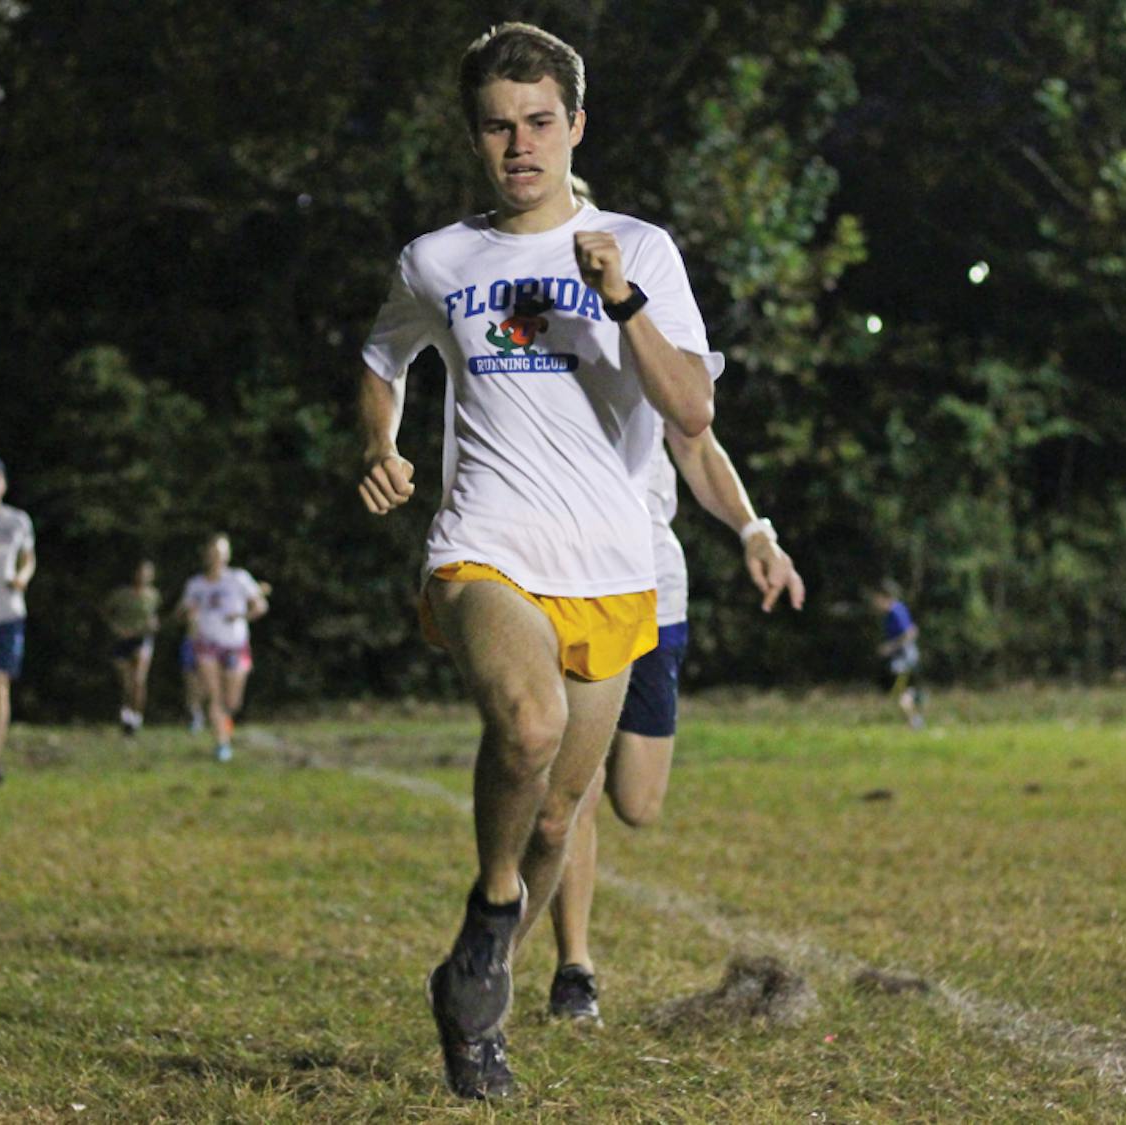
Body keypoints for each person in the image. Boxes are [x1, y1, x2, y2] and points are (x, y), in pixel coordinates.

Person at [356, 22, 720, 1099]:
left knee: (566, 810)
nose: (520, 146)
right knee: (528, 723)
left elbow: (693, 407)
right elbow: (384, 358)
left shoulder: (639, 250)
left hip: (614, 570)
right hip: (485, 547)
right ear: (475, 137)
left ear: (575, 126)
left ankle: (483, 972)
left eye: (539, 123)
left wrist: (621, 299)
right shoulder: (437, 259)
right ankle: (498, 916)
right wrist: (379, 442)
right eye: (497, 127)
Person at [545, 426, 805, 1024]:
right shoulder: (541, 339)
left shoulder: (650, 334)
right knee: (576, 781)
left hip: (654, 587)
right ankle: (574, 970)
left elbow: (696, 439)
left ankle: (582, 765)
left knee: (639, 803)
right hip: (571, 580)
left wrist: (755, 531)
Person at [176, 533, 268, 762]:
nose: (217, 556)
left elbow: (260, 606)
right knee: (214, 697)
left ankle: (225, 724)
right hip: (207, 645)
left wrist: (242, 614)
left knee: (232, 702)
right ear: (206, 555)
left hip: (236, 645)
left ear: (227, 555)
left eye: (221, 551)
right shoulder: (195, 584)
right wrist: (188, 613)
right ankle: (222, 744)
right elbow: (180, 612)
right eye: (213, 552)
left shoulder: (239, 578)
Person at [0, 455, 35, 785]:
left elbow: (29, 559)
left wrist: (21, 578)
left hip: (6, 614)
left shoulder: (17, 520)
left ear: (3, 483)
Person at [103, 559, 160, 734]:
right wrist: (116, 628)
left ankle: (137, 717)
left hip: (142, 639)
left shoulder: (153, 595)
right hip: (122, 640)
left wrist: (153, 625)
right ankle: (126, 714)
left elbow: (154, 618)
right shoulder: (121, 594)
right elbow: (105, 612)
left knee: (139, 680)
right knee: (126, 682)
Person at [869, 579, 925, 729]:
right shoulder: (895, 610)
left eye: (876, 598)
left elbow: (910, 633)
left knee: (900, 692)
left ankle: (915, 722)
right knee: (905, 691)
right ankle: (916, 717)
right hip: (905, 656)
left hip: (904, 657)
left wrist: (889, 647)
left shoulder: (895, 611)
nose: (874, 602)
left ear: (884, 597)